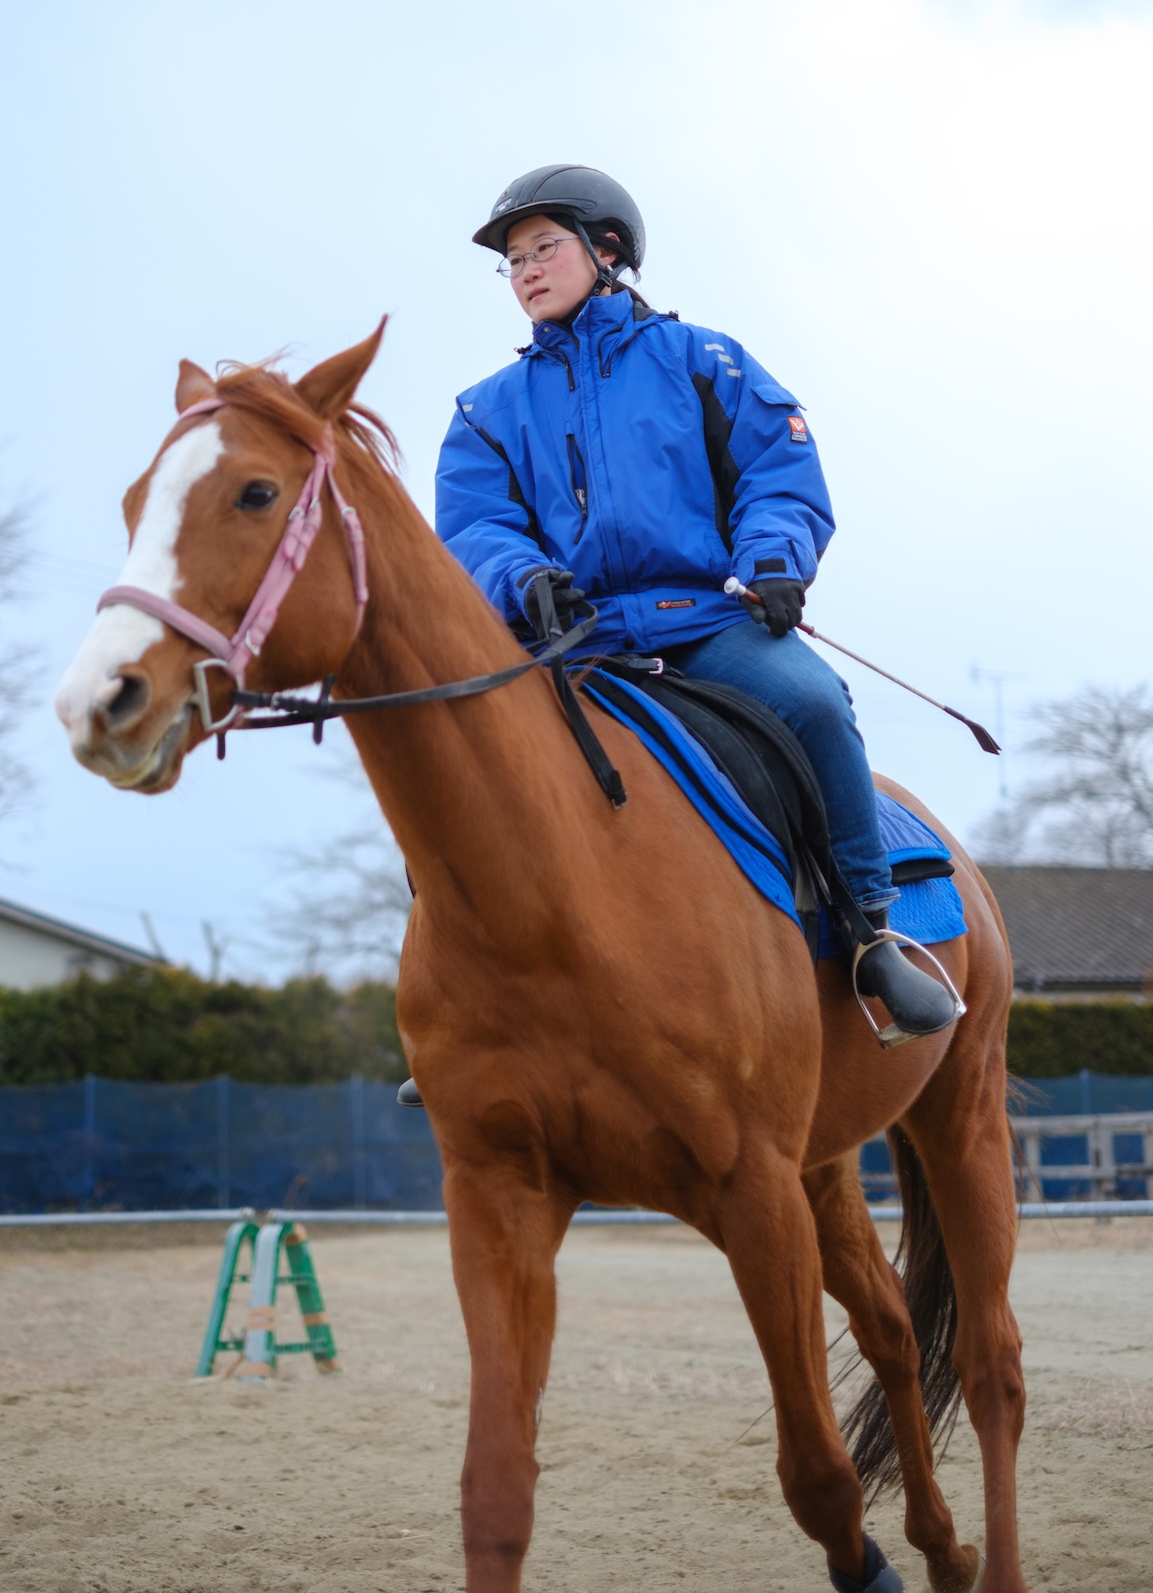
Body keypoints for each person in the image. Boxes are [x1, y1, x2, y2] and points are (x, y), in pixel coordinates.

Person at [397, 165, 960, 1107]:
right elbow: (474, 527)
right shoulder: (483, 410)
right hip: (571, 645)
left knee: (818, 703)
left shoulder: (708, 361)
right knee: (453, 761)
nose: (525, 270)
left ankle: (872, 934)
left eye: (544, 248)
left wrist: (775, 558)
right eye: (513, 260)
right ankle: (463, 997)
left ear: (608, 250)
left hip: (704, 623)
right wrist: (523, 579)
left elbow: (779, 474)